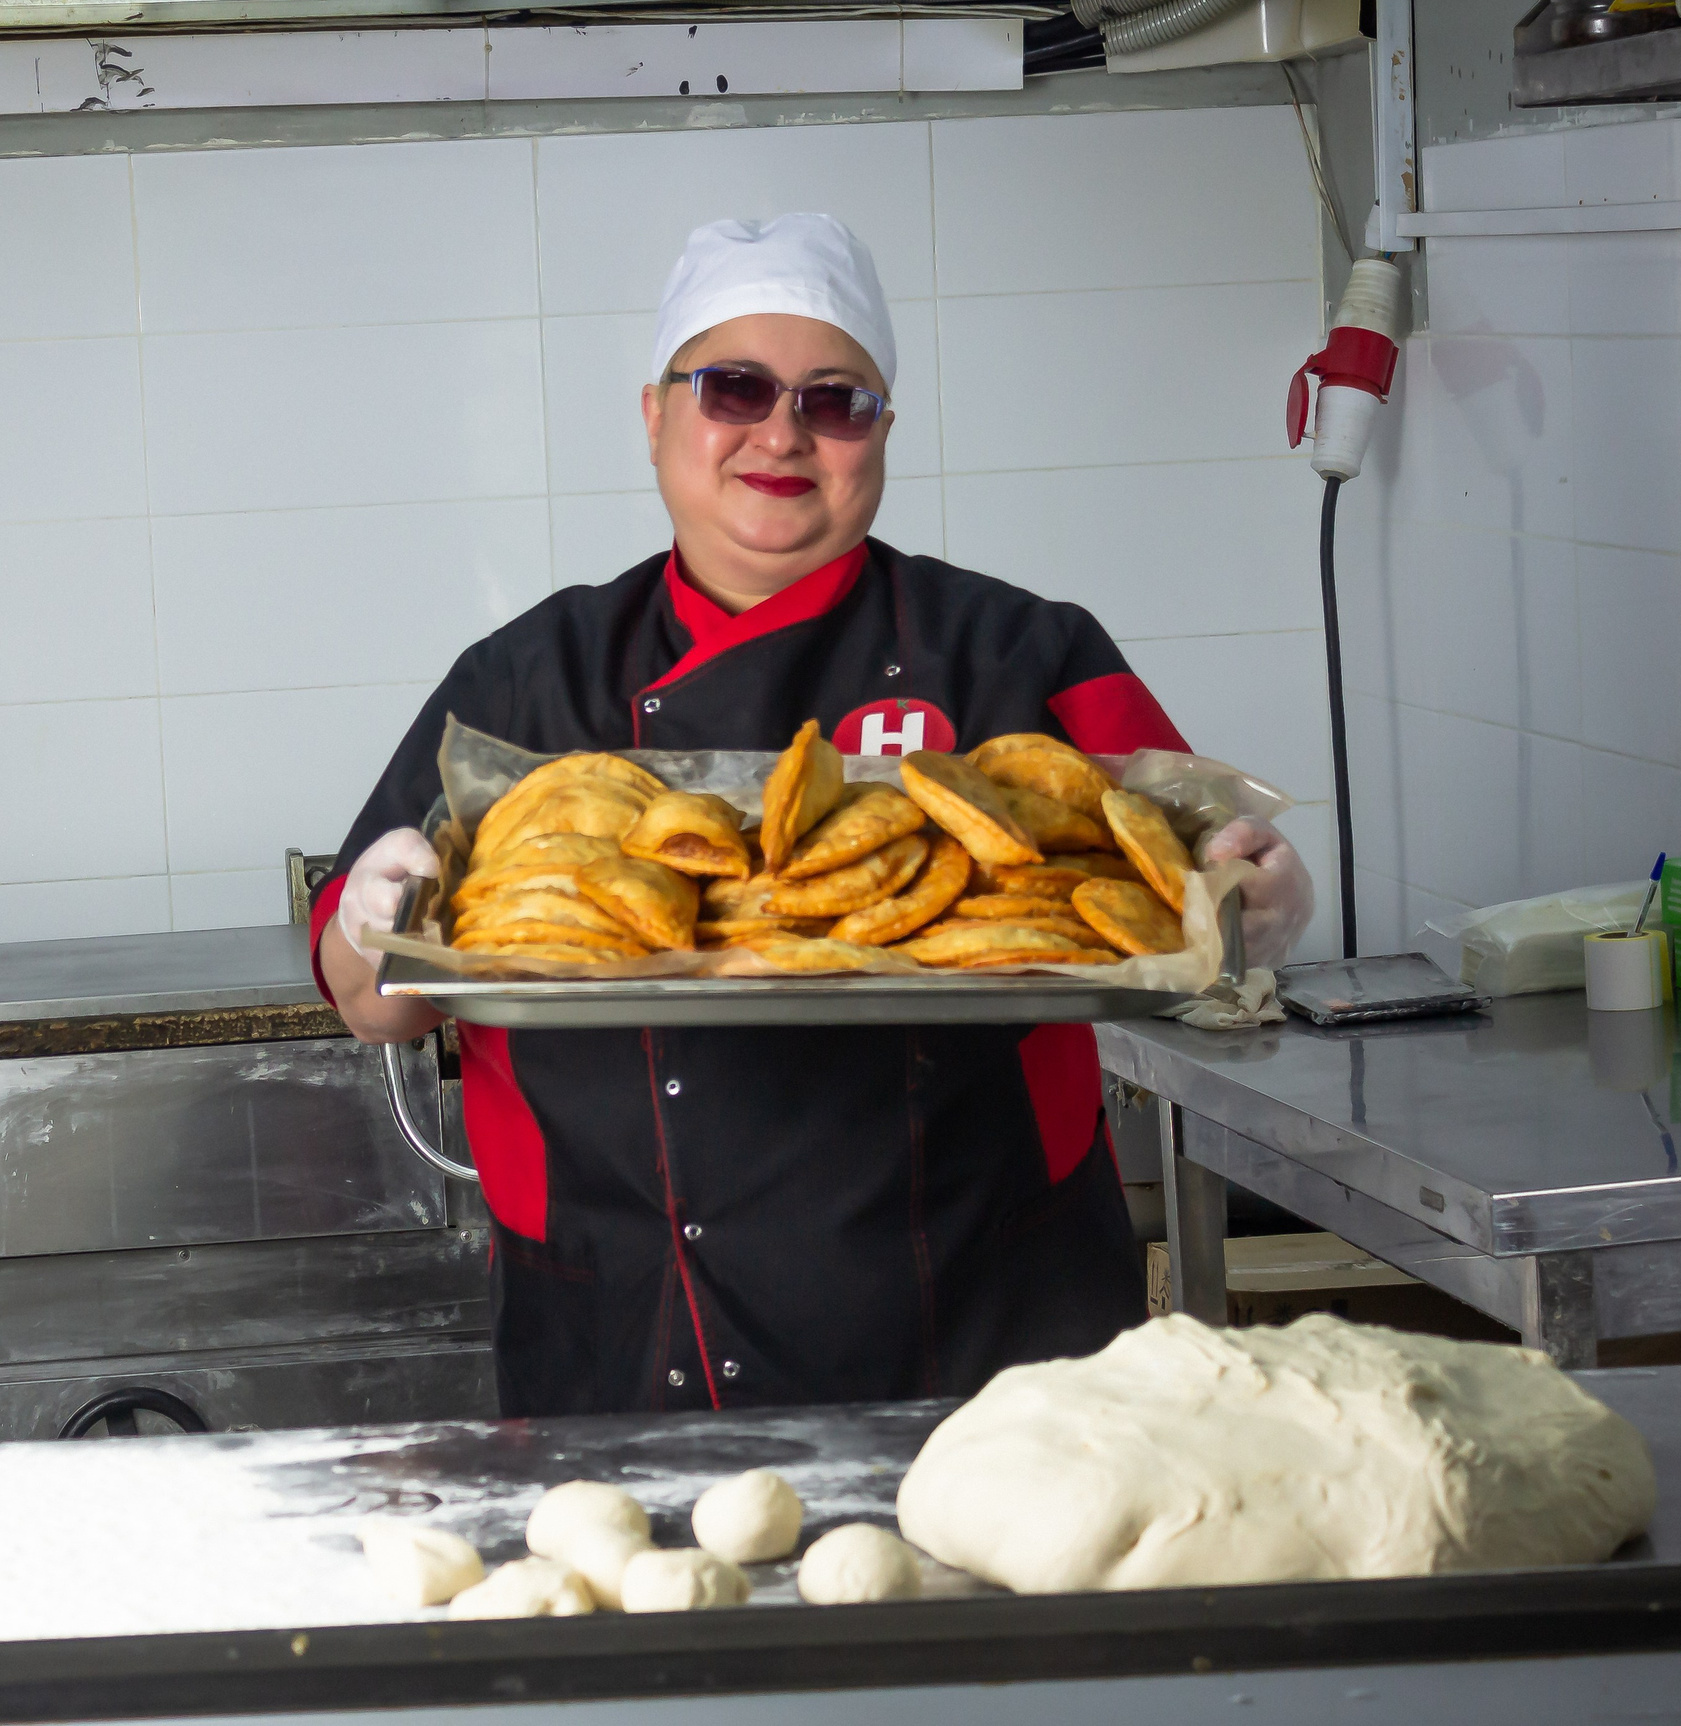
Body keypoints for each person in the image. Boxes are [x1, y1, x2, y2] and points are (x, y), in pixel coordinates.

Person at [312, 214, 1314, 1418]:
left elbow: (1190, 882)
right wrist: (375, 916)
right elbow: (371, 997)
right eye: (733, 388)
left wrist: (1264, 901)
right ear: (654, 417)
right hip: (617, 1320)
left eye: (835, 402)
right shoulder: (526, 679)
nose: (781, 433)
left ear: (880, 434)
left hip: (986, 1326)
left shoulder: (1018, 651)